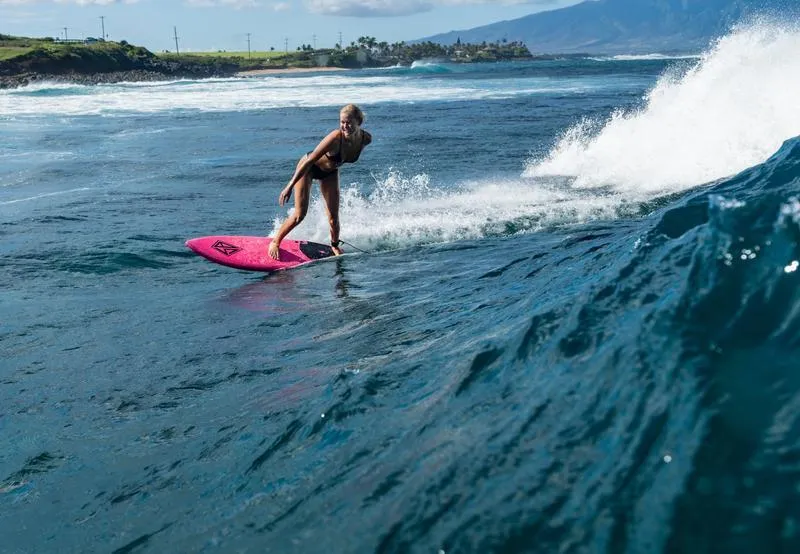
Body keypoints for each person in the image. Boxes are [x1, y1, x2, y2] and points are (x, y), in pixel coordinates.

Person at [268, 104, 372, 260]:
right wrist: (289, 186)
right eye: (342, 122)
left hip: (329, 172)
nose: (344, 126)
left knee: (333, 218)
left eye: (349, 122)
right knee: (300, 215)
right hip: (309, 168)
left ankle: (334, 245)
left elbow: (345, 156)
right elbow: (310, 160)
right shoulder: (336, 137)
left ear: (359, 122)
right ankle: (275, 242)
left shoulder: (365, 139)